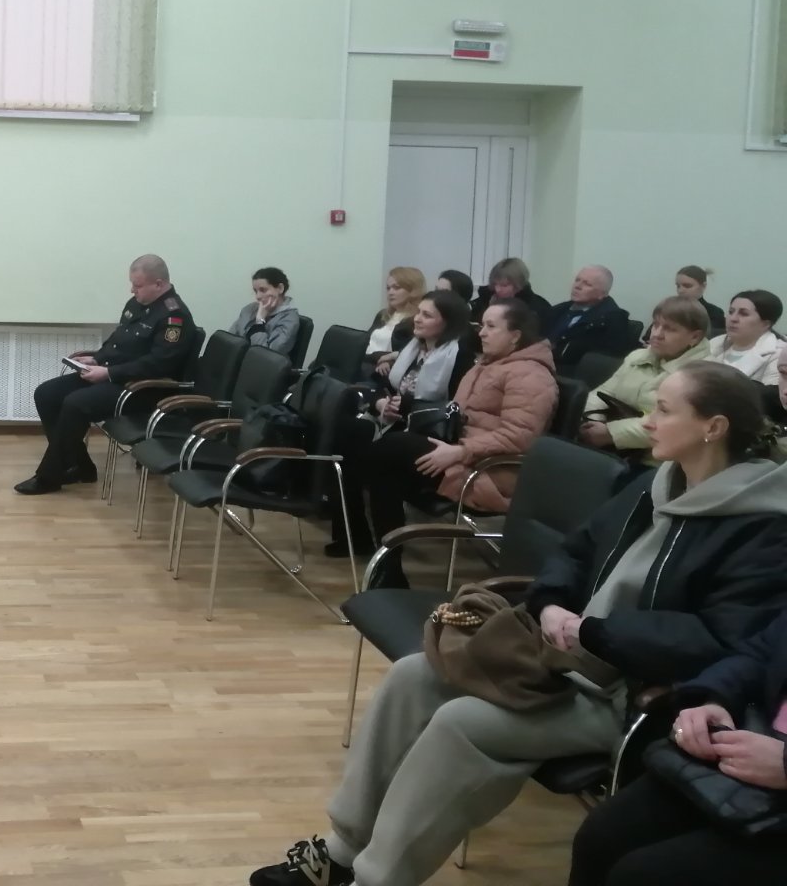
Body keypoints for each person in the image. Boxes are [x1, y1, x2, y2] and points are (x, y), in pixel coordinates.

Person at [250, 362, 787, 886]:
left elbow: (719, 639)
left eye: (664, 410)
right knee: (413, 676)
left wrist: (593, 633)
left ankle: (376, 878)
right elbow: (576, 551)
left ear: (713, 427)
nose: (647, 421)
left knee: (462, 723)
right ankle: (341, 851)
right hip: (560, 655)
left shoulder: (763, 527)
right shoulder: (657, 483)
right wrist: (551, 604)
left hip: (631, 693)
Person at [332, 300, 556, 575]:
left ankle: (382, 563)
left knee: (386, 450)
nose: (481, 332)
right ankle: (387, 569)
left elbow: (520, 438)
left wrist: (460, 451)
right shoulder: (487, 365)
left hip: (490, 472)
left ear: (515, 336)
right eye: (482, 325)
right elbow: (456, 413)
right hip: (459, 452)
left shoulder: (531, 375)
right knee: (378, 460)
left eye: (491, 326)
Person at [567, 610, 787, 885]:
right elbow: (760, 652)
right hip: (750, 752)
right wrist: (715, 699)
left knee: (647, 875)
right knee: (601, 835)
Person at [15, 254, 193, 496]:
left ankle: (49, 476)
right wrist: (97, 359)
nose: (132, 290)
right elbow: (119, 341)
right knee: (46, 394)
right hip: (115, 376)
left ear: (159, 284)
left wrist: (108, 372)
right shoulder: (137, 304)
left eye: (138, 285)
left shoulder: (174, 317)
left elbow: (159, 364)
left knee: (76, 403)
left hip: (142, 388)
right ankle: (79, 466)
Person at [329, 290, 475, 558]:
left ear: (447, 322)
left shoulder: (458, 355)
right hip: (394, 421)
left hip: (427, 433)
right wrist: (381, 403)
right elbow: (382, 385)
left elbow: (454, 407)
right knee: (343, 435)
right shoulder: (413, 347)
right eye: (418, 312)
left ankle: (366, 541)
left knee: (356, 450)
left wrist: (406, 405)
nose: (417, 319)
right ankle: (351, 535)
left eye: (427, 315)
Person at [580, 296, 711, 462]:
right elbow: (603, 392)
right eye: (656, 325)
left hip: (660, 462)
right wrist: (592, 422)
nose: (657, 334)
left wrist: (610, 433)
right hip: (612, 449)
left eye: (670, 329)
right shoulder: (637, 357)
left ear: (694, 337)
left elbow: (671, 425)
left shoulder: (703, 375)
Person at [544, 265, 632, 370]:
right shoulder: (558, 309)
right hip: (540, 363)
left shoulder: (613, 320)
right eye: (577, 280)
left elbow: (601, 362)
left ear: (602, 294)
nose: (577, 286)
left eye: (587, 284)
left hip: (569, 373)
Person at [707, 289, 783, 387]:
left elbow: (772, 394)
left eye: (744, 314)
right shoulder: (714, 343)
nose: (733, 318)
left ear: (766, 324)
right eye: (731, 312)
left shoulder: (778, 354)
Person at [362, 268, 425, 377]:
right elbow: (364, 343)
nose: (390, 292)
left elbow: (409, 353)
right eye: (388, 288)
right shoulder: (383, 315)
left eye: (396, 288)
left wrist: (389, 360)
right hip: (365, 363)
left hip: (382, 373)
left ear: (412, 290)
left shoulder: (415, 320)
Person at [230, 267, 301, 358]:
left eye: (263, 290)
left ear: (280, 288)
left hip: (260, 365)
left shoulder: (289, 319)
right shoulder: (250, 309)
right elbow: (231, 340)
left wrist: (259, 322)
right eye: (255, 291)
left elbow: (265, 356)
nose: (258, 296)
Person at [469, 256, 551, 327]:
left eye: (504, 285)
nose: (497, 289)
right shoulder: (483, 301)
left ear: (519, 284)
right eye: (495, 284)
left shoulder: (538, 309)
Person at [673, 264, 725, 335]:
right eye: (678, 286)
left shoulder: (714, 313)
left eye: (687, 286)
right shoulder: (670, 310)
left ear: (703, 286)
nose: (680, 290)